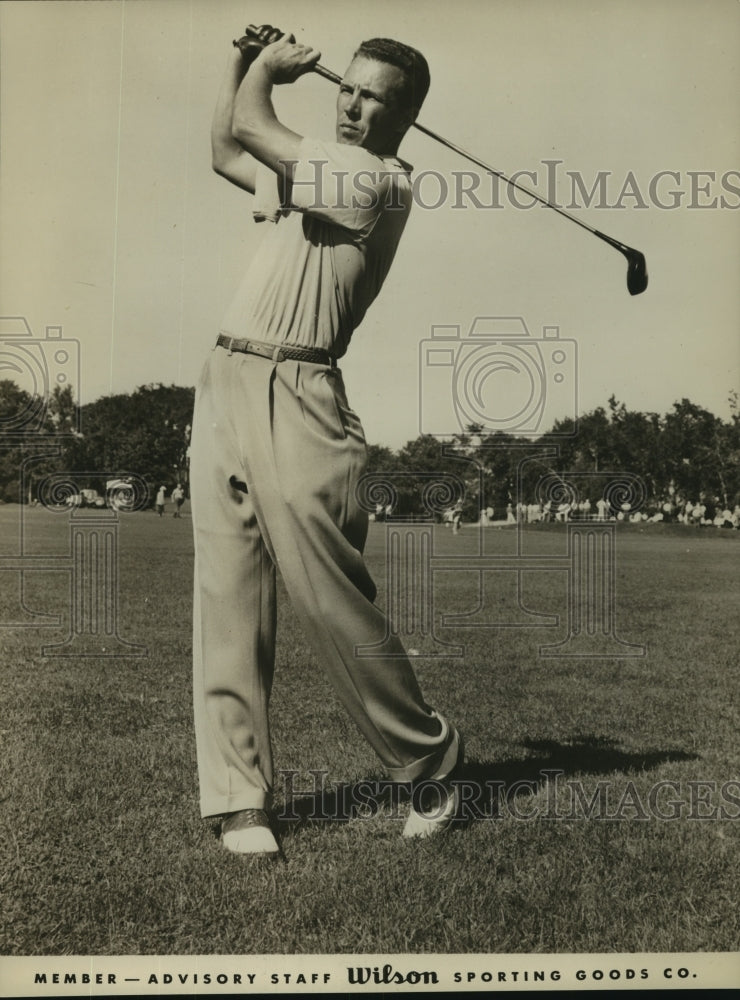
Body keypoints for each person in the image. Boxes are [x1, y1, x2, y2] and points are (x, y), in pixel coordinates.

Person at [190, 28, 462, 856]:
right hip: (226, 377)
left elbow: (252, 126)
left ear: (404, 116)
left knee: (329, 599)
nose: (351, 104)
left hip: (301, 391)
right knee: (228, 595)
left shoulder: (373, 178)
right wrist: (242, 64)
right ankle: (241, 802)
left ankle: (428, 763)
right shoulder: (318, 168)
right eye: (347, 87)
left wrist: (268, 73)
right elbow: (223, 150)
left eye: (374, 97)